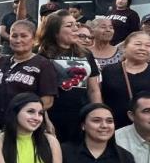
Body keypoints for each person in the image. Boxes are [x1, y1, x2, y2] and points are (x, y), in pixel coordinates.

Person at [38, 10, 102, 142]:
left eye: (76, 25)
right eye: (69, 26)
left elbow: (93, 89)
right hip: (53, 115)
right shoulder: (40, 53)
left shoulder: (86, 53)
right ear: (55, 32)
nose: (75, 29)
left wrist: (98, 112)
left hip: (81, 114)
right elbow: (37, 90)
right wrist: (44, 118)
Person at [0, 20, 57, 134]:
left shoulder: (43, 64)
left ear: (34, 40)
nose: (18, 40)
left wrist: (23, 115)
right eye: (14, 36)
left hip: (27, 128)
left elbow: (47, 101)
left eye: (24, 36)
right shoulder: (0, 62)